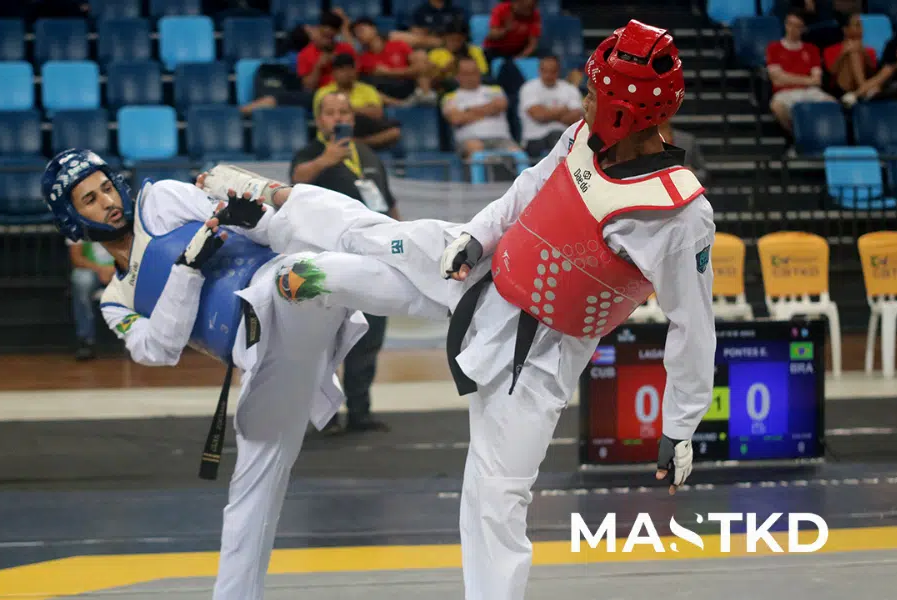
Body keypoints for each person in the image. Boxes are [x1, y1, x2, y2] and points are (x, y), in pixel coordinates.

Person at [208, 19, 715, 600]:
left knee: (496, 499)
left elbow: (692, 325)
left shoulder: (677, 214)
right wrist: (476, 235)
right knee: (379, 235)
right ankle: (272, 208)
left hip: (536, 354)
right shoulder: (582, 136)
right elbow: (528, 188)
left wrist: (680, 425)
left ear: (626, 109)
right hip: (483, 267)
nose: (584, 100)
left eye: (595, 94)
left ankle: (308, 266)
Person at [41, 150, 442, 600]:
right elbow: (159, 348)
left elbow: (261, 226)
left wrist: (252, 214)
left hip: (277, 287)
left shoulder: (162, 202)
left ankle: (451, 289)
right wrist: (187, 270)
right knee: (250, 494)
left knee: (305, 267)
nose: (107, 201)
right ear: (72, 220)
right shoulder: (116, 300)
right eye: (89, 199)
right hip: (262, 356)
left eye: (106, 187)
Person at [291, 91, 398, 432]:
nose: (338, 118)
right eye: (330, 113)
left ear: (353, 119)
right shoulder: (311, 154)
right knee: (325, 340)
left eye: (344, 112)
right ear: (319, 120)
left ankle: (360, 411)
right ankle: (324, 416)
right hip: (329, 263)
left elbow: (387, 202)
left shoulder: (367, 154)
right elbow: (295, 182)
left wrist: (401, 241)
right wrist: (325, 160)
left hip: (372, 261)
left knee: (369, 338)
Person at [765, 9, 837, 135]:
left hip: (809, 91)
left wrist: (786, 78)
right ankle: (796, 136)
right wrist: (806, 80)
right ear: (785, 25)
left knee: (832, 103)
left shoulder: (811, 49)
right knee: (777, 107)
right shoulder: (774, 48)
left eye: (797, 26)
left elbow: (817, 80)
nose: (792, 29)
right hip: (785, 93)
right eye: (789, 24)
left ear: (803, 29)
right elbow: (776, 80)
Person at [517, 54, 584, 157]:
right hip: (535, 139)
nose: (548, 75)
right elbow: (539, 116)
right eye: (545, 71)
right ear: (539, 70)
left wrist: (547, 112)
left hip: (565, 136)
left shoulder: (570, 89)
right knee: (557, 139)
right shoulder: (528, 88)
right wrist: (564, 109)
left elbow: (575, 118)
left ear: (558, 71)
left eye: (552, 71)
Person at [66, 238, 115, 359]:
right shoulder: (76, 223)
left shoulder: (123, 220)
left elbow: (134, 253)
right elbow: (76, 258)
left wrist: (115, 269)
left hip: (122, 268)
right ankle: (86, 341)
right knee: (81, 280)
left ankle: (141, 339)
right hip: (92, 270)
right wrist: (101, 269)